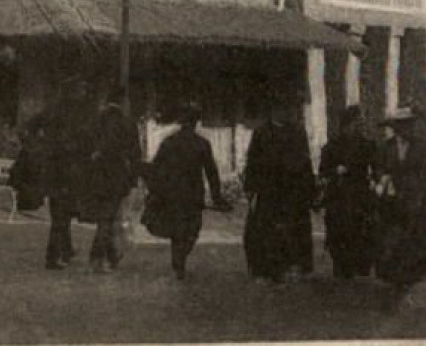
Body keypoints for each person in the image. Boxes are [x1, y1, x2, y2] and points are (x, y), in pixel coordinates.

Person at [143, 103, 225, 279]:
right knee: (192, 230)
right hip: (192, 195)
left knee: (178, 229)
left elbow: (156, 168)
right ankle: (180, 260)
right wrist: (217, 196)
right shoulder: (201, 144)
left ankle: (178, 260)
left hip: (173, 194)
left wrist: (154, 189)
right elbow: (211, 172)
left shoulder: (169, 142)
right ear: (195, 122)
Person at [243, 100, 316, 282]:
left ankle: (292, 266)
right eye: (281, 108)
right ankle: (265, 269)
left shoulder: (298, 132)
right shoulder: (261, 132)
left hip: (292, 189)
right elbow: (252, 161)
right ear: (273, 111)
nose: (285, 112)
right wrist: (250, 187)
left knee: (293, 229)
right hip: (269, 189)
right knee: (266, 230)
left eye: (287, 109)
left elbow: (306, 162)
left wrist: (310, 190)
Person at [374, 107, 426, 290]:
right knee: (395, 240)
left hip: (415, 200)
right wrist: (382, 180)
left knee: (416, 240)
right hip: (393, 202)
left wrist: (419, 199)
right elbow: (380, 169)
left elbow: (425, 175)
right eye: (401, 126)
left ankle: (417, 278)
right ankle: (396, 279)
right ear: (395, 128)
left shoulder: (422, 146)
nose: (406, 129)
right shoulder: (387, 147)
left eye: (409, 125)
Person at [79, 90, 140, 273]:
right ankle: (97, 258)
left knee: (106, 216)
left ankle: (111, 256)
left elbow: (84, 147)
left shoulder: (94, 122)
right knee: (108, 218)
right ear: (123, 102)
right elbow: (135, 154)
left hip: (95, 175)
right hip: (116, 176)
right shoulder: (127, 124)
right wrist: (133, 179)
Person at [320, 105, 380, 279]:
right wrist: (335, 171)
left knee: (363, 233)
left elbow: (377, 169)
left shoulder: (368, 145)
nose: (360, 127)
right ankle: (342, 269)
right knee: (339, 234)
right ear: (345, 125)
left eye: (361, 123)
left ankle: (362, 269)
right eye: (356, 123)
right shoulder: (331, 147)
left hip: (360, 195)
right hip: (338, 197)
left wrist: (378, 181)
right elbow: (323, 172)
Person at [43, 90, 91, 270]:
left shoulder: (54, 130)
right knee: (60, 220)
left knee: (61, 218)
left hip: (57, 182)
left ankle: (65, 250)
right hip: (64, 183)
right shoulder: (66, 141)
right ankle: (53, 257)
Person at [8, 113, 48, 215]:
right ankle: (27, 203)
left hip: (34, 169)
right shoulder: (30, 145)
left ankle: (31, 203)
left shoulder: (37, 144)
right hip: (27, 170)